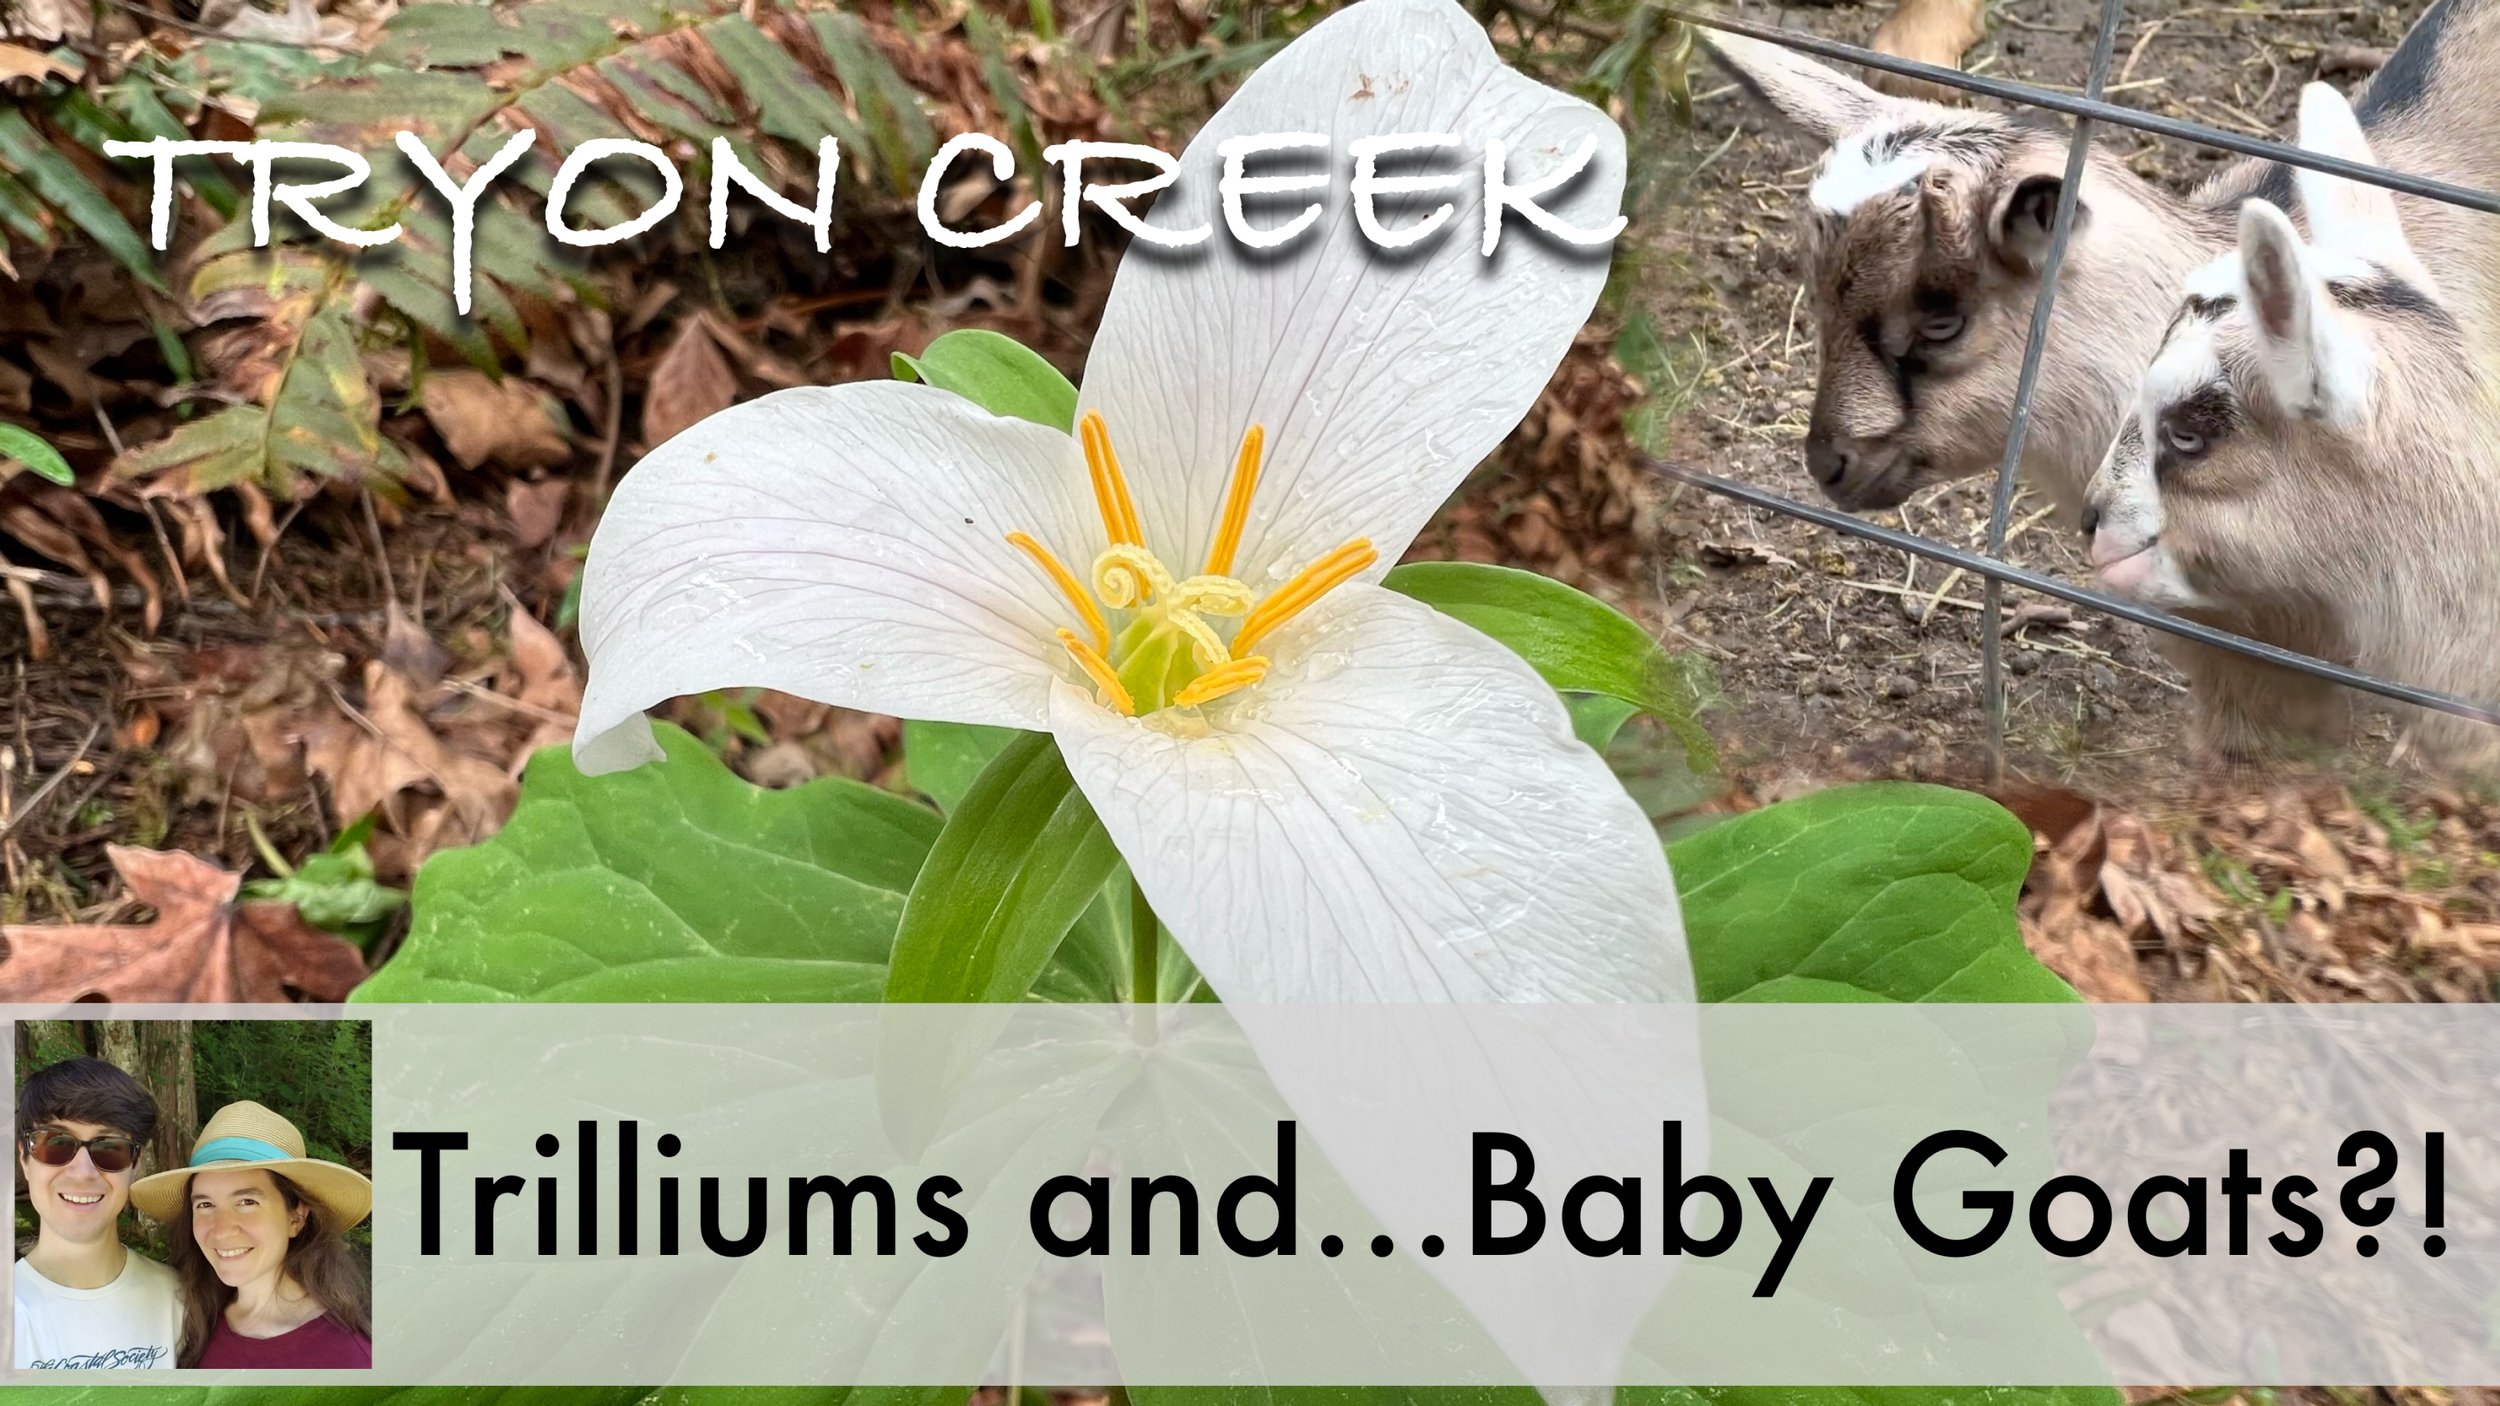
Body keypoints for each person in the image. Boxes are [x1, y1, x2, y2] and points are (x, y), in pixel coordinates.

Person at [130, 1100, 372, 1369]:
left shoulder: (349, 1357)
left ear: (297, 1217)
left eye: (247, 1202)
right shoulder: (188, 1320)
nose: (222, 1228)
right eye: (205, 1204)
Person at [12, 1057, 182, 1370]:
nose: (83, 1173)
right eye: (56, 1143)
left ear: (136, 1165)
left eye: (110, 1147)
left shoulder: (179, 1301)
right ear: (24, 1158)